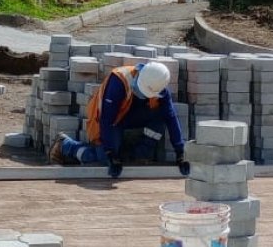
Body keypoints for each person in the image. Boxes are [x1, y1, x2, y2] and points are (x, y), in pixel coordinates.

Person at [49, 61, 189, 178]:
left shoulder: (159, 87)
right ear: (140, 76)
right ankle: (66, 145)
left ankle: (139, 155)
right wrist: (110, 153)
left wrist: (180, 152)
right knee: (104, 160)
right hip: (109, 119)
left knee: (161, 116)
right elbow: (106, 119)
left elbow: (171, 117)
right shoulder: (119, 79)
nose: (143, 94)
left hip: (131, 115)